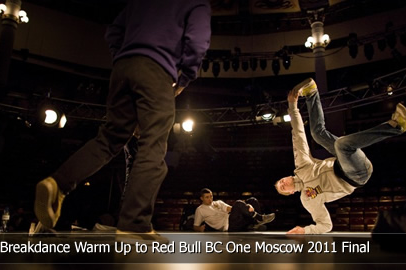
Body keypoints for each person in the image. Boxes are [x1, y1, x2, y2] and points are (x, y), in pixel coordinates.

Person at [34, 0, 211, 243]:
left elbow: (113, 31)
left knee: (108, 139)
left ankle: (58, 183)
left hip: (122, 68)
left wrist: (123, 58)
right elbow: (198, 42)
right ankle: (134, 223)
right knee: (154, 143)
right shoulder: (195, 2)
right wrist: (185, 77)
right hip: (157, 71)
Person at [275, 78, 406, 234]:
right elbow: (326, 225)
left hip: (342, 161)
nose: (283, 184)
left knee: (317, 134)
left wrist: (292, 107)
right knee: (342, 145)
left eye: (281, 182)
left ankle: (311, 92)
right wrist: (306, 230)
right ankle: (397, 126)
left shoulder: (302, 165)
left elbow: (298, 134)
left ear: (286, 176)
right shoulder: (307, 200)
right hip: (355, 176)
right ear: (290, 193)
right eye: (282, 189)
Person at [193, 188, 275, 232]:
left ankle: (254, 224)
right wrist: (199, 229)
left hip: (235, 219)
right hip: (228, 226)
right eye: (207, 197)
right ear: (201, 198)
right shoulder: (200, 210)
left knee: (252, 200)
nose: (210, 199)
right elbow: (195, 226)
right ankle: (259, 219)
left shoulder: (218, 202)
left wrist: (248, 206)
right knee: (238, 203)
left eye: (211, 196)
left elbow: (232, 209)